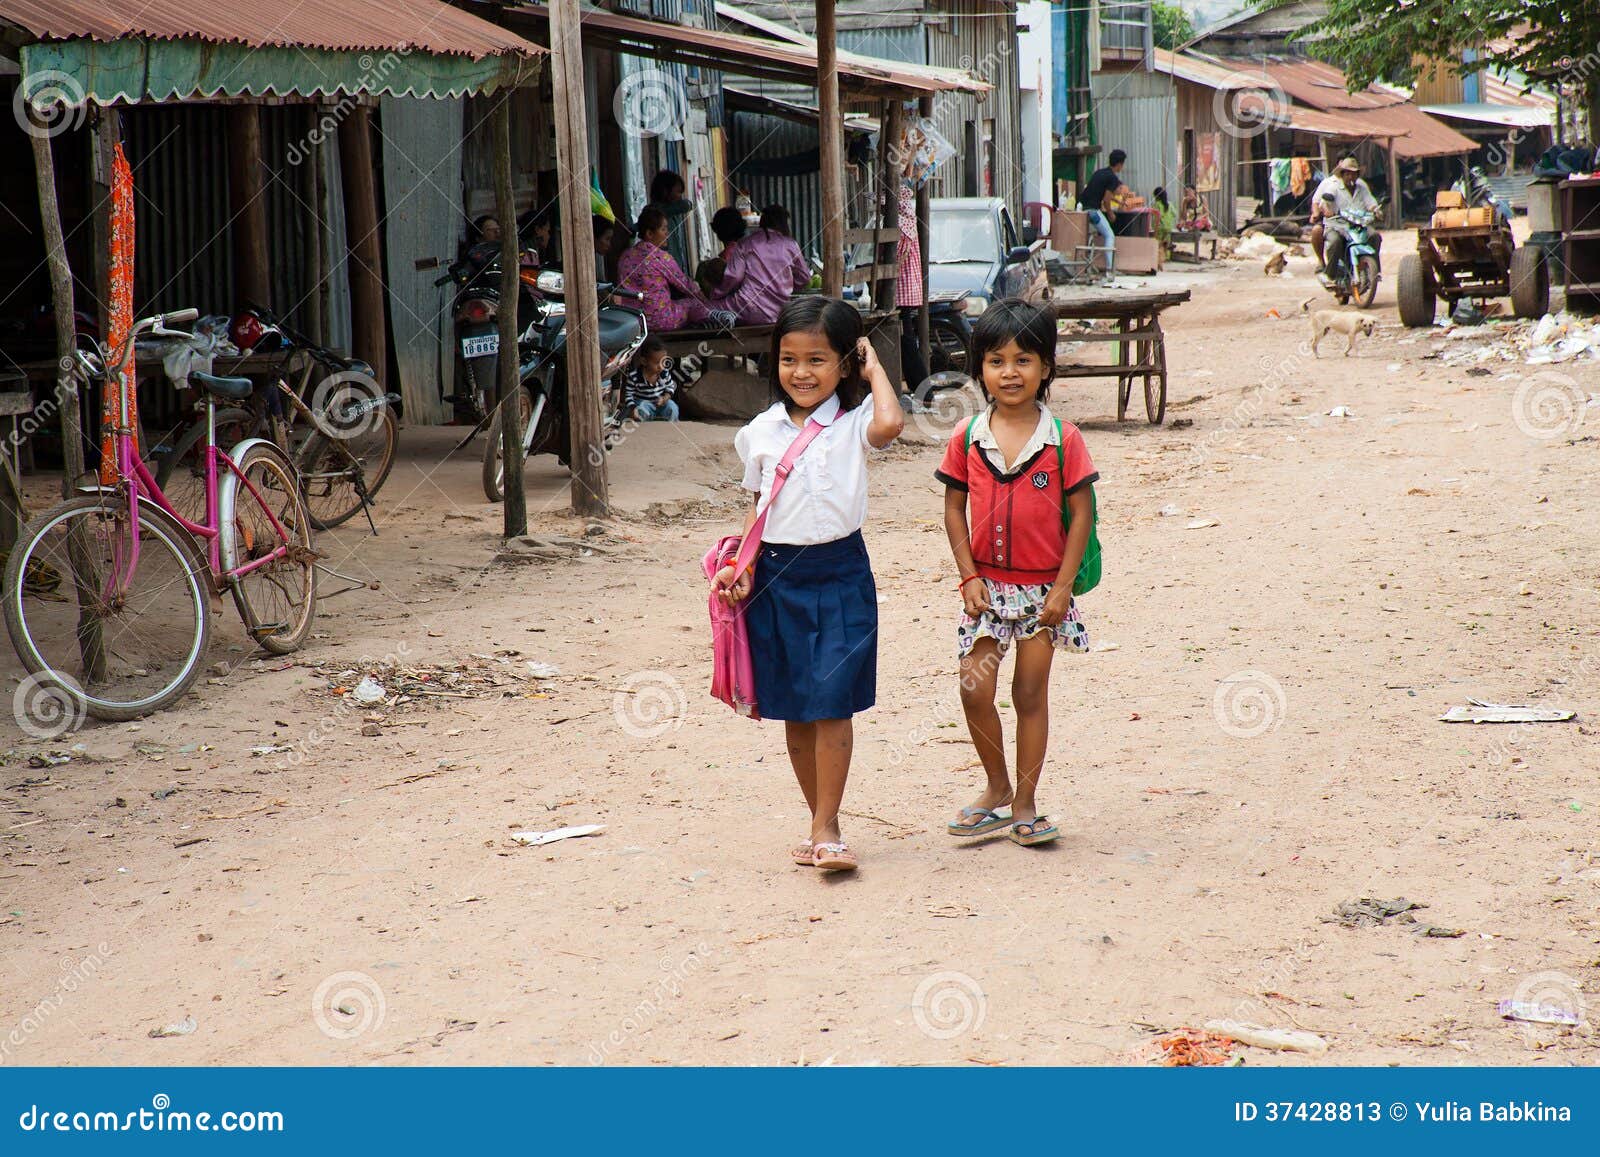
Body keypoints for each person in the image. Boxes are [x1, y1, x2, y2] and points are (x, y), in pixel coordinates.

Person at [713, 296, 905, 872]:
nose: (801, 372)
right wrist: (742, 566)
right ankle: (823, 822)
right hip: (777, 576)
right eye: (789, 359)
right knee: (796, 707)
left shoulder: (852, 425)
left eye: (818, 359)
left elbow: (891, 424)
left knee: (833, 700)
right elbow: (756, 506)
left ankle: (827, 826)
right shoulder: (760, 433)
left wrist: (874, 369)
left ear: (845, 364)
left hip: (843, 572)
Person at [934, 299, 1097, 847]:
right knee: (973, 689)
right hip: (985, 590)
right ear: (979, 367)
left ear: (1046, 367)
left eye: (1024, 360)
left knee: (1029, 693)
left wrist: (1062, 588)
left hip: (1044, 593)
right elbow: (954, 509)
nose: (1010, 372)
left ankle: (1026, 802)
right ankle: (997, 786)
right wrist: (968, 577)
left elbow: (1082, 518)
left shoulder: (1063, 439)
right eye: (997, 360)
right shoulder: (966, 436)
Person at [617, 206, 735, 332]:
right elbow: (685, 285)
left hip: (633, 321)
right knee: (693, 304)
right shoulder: (661, 257)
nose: (667, 233)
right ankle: (711, 319)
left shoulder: (625, 256)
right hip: (659, 320)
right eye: (663, 229)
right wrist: (705, 299)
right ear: (649, 234)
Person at [710, 204, 811, 325]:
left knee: (699, 308)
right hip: (779, 313)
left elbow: (734, 277)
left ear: (762, 222)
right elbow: (804, 279)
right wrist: (784, 284)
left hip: (746, 308)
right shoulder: (791, 245)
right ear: (784, 224)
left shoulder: (746, 243)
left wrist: (715, 294)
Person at [893, 158, 931, 395]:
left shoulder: (902, 222)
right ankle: (922, 390)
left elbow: (896, 255)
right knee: (907, 340)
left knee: (907, 342)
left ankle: (924, 391)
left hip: (902, 291)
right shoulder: (907, 218)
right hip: (906, 290)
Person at [1310, 157, 1381, 277]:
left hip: (1358, 226)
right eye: (1348, 173)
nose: (1351, 177)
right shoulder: (1333, 186)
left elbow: (1371, 203)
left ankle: (1373, 272)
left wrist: (1376, 211)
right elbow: (1323, 203)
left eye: (1354, 174)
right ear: (1342, 174)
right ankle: (1330, 276)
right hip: (1336, 226)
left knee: (1374, 236)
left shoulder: (1362, 187)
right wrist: (1328, 211)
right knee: (1335, 242)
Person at [1077, 148, 1126, 284]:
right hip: (1093, 211)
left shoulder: (1100, 173)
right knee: (1109, 235)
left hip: (1082, 208)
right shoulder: (1112, 178)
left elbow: (1099, 193)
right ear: (1120, 164)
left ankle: (1091, 267)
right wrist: (1110, 214)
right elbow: (1106, 199)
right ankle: (1110, 270)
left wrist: (1116, 201)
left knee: (1091, 238)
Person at [621, 336, 682, 421]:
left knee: (672, 407)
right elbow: (628, 396)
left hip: (660, 404)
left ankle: (670, 428)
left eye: (663, 362)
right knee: (641, 409)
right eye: (657, 363)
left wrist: (665, 398)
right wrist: (633, 408)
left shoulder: (664, 373)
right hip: (644, 405)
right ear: (644, 361)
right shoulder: (634, 376)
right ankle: (645, 428)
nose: (661, 366)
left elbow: (670, 388)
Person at [647, 169, 694, 272]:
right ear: (665, 191)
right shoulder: (654, 210)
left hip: (675, 266)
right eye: (677, 192)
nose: (680, 196)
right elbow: (686, 205)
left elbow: (687, 204)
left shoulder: (673, 210)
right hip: (662, 268)